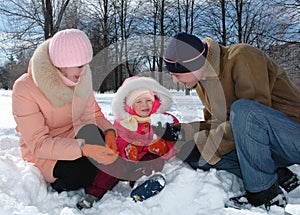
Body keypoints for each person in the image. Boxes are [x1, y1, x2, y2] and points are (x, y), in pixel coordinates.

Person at [160, 32, 300, 210]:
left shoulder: (242, 57)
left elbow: (251, 120)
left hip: (291, 133)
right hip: (266, 143)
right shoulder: (204, 83)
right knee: (197, 156)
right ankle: (278, 174)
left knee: (242, 111)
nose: (174, 80)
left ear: (192, 65)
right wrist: (182, 132)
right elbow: (217, 124)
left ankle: (264, 194)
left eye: (177, 74)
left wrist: (204, 144)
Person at [12, 29, 120, 210]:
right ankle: (60, 185)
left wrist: (109, 132)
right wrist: (84, 149)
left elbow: (93, 115)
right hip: (43, 150)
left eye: (86, 64)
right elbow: (38, 144)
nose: (84, 70)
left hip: (75, 136)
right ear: (61, 63)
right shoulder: (24, 89)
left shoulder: (82, 76)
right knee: (81, 173)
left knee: (110, 147)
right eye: (79, 66)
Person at [111, 76, 179, 186]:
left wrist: (164, 145)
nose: (145, 104)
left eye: (148, 100)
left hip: (152, 156)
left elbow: (176, 136)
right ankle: (96, 191)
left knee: (153, 162)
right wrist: (127, 149)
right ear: (130, 105)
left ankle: (140, 183)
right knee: (114, 164)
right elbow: (119, 139)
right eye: (139, 101)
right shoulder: (123, 122)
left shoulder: (163, 118)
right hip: (129, 159)